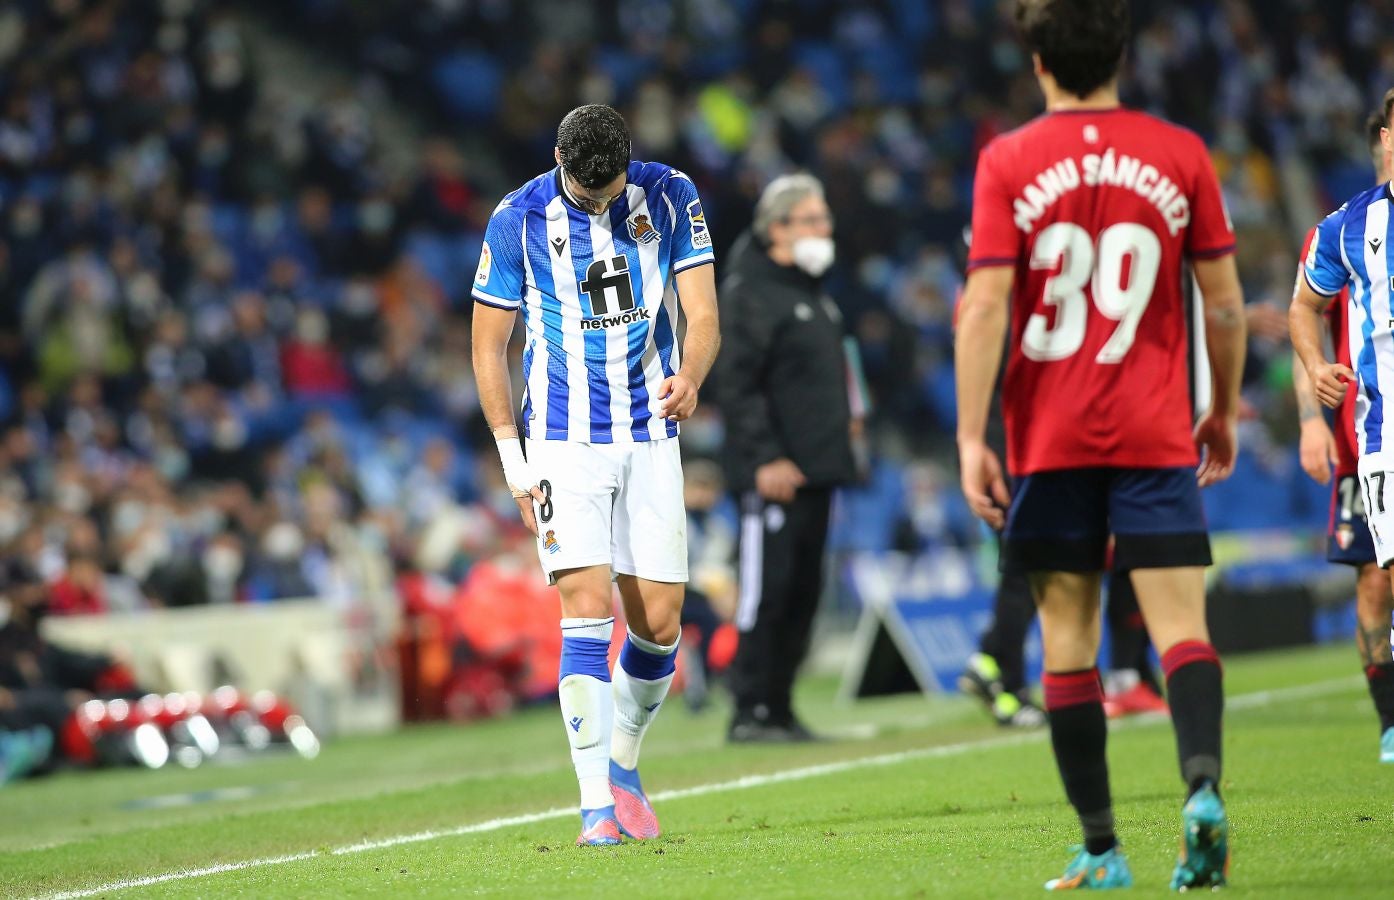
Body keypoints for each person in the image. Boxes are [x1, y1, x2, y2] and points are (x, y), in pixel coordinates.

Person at [955, 0, 1246, 890]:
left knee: (1068, 644)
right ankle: (1200, 788)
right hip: (1157, 430)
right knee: (1179, 631)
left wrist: (971, 436)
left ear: (1037, 62)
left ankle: (1102, 845)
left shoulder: (1007, 160)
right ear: (1125, 51)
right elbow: (1226, 306)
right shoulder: (1181, 153)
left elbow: (988, 307)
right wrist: (1222, 408)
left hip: (1050, 439)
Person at [471, 105, 720, 846]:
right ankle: (593, 810)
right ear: (558, 160)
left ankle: (623, 761)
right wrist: (514, 461)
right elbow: (490, 348)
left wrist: (694, 375)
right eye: (588, 196)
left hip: (649, 429)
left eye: (611, 192)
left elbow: (702, 311)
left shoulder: (672, 194)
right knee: (585, 608)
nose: (602, 205)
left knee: (661, 625)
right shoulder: (517, 218)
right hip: (561, 436)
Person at [714, 174, 858, 743]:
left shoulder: (809, 290)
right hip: (773, 475)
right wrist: (765, 457)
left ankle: (779, 705)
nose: (826, 229)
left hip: (818, 468)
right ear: (778, 228)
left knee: (802, 595)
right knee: (766, 592)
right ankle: (749, 708)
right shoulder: (748, 292)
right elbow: (737, 385)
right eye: (813, 219)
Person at [1290, 97, 1394, 768]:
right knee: (1379, 581)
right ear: (1384, 138)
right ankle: (1389, 721)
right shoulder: (1347, 227)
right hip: (1380, 434)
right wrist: (1311, 386)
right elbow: (1303, 309)